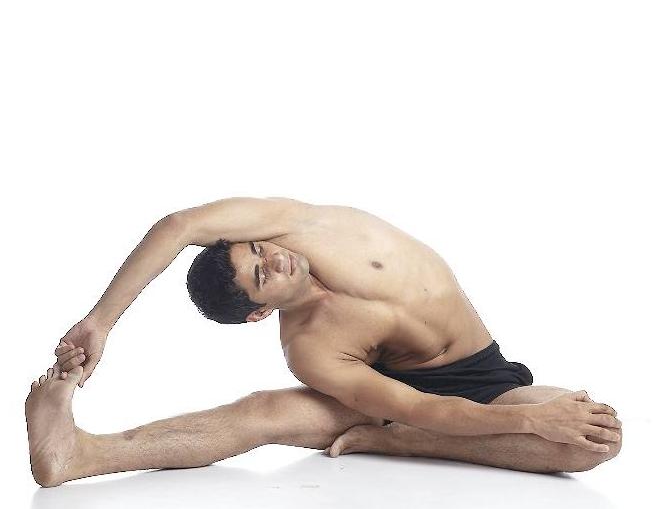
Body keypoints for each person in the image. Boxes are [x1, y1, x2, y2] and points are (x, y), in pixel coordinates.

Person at [25, 197, 622, 487]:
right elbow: (418, 404)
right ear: (261, 312)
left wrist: (100, 320)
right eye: (261, 275)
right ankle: (81, 454)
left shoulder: (306, 226)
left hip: (484, 376)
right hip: (405, 398)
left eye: (257, 249)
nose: (274, 258)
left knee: (596, 440)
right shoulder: (309, 349)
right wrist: (530, 423)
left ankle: (395, 444)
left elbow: (179, 226)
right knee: (265, 411)